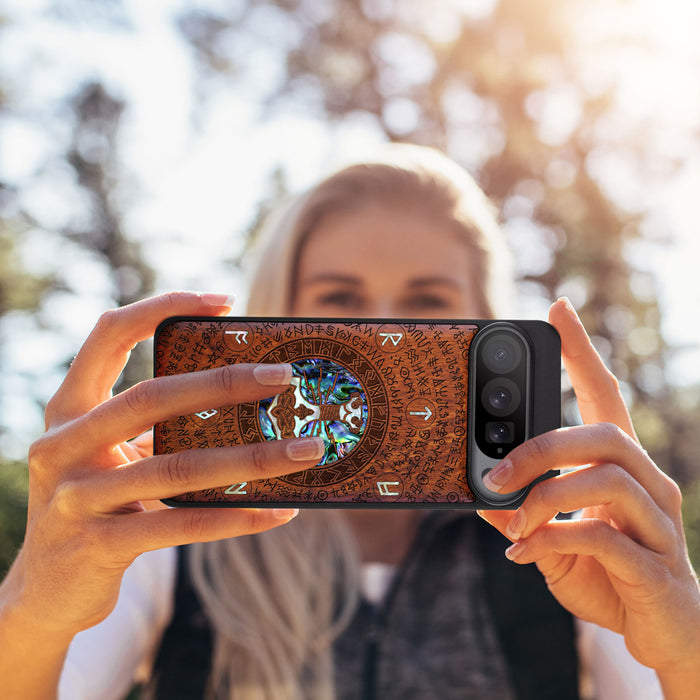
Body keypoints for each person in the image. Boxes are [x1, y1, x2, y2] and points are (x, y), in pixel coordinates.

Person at [0, 145, 698, 700]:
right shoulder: (172, 534)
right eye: (340, 299)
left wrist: (685, 649)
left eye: (427, 302)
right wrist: (34, 607)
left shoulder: (566, 543)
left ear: (487, 325)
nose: (386, 330)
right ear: (281, 316)